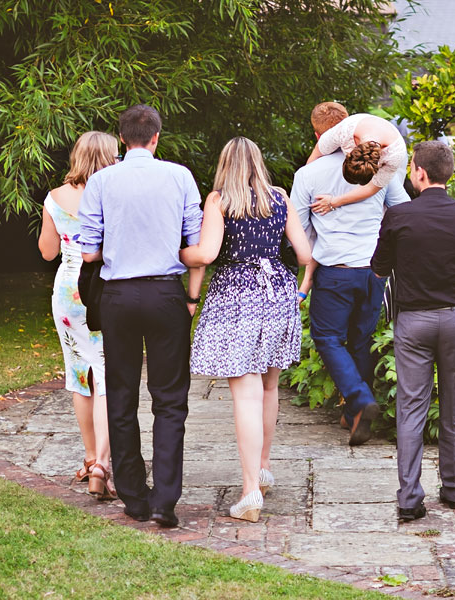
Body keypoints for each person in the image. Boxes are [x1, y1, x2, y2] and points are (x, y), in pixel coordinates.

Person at [77, 105, 205, 528]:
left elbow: (89, 251)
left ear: (121, 140)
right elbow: (194, 239)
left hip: (118, 294)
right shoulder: (180, 176)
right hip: (166, 293)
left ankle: (133, 496)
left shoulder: (100, 181)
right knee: (170, 400)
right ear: (155, 138)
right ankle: (165, 499)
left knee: (122, 393)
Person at [183, 137, 312, 522]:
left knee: (245, 395)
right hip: (278, 292)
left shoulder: (219, 201)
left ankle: (249, 491)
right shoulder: (280, 198)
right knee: (269, 386)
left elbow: (205, 254)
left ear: (225, 165)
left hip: (238, 296)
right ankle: (263, 468)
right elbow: (305, 255)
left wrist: (180, 253)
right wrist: (300, 289)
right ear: (259, 161)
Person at [370, 141, 455, 521]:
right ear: (448, 172)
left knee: (412, 408)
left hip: (413, 321)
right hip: (454, 318)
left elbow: (380, 267)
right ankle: (454, 490)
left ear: (418, 172)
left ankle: (408, 498)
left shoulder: (399, 216)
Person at [292, 102, 411, 446]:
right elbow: (400, 208)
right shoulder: (380, 165)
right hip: (374, 272)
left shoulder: (308, 175)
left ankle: (359, 400)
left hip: (335, 272)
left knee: (327, 338)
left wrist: (309, 271)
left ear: (320, 135)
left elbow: (301, 229)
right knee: (360, 340)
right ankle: (354, 415)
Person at [37, 131, 119, 501]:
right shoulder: (113, 195)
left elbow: (47, 252)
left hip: (67, 291)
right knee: (107, 372)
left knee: (79, 371)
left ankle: (89, 457)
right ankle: (102, 463)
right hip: (103, 287)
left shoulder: (54, 198)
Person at [305, 112, 408, 215]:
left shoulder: (395, 154)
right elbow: (316, 153)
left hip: (394, 154)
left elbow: (372, 188)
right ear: (349, 154)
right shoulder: (344, 130)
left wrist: (334, 202)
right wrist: (304, 181)